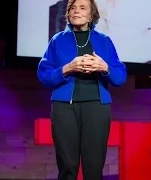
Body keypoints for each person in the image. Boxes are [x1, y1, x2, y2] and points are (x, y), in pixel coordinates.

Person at [37, 0, 127, 179]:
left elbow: (120, 77)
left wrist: (105, 67)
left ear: (91, 14)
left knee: (93, 167)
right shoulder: (57, 40)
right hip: (64, 108)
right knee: (67, 166)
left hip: (96, 107)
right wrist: (67, 68)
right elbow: (44, 75)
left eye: (82, 7)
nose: (76, 11)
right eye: (72, 7)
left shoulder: (104, 41)